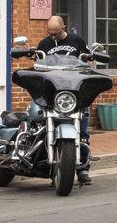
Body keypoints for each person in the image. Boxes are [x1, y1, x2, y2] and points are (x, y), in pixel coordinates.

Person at [34, 15, 93, 180]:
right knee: (40, 124)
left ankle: (83, 169)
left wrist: (89, 58)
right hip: (52, 92)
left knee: (81, 131)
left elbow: (87, 61)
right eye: (50, 33)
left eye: (56, 33)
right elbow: (37, 66)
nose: (53, 37)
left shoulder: (77, 41)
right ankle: (44, 160)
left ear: (64, 27)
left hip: (74, 91)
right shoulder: (44, 44)